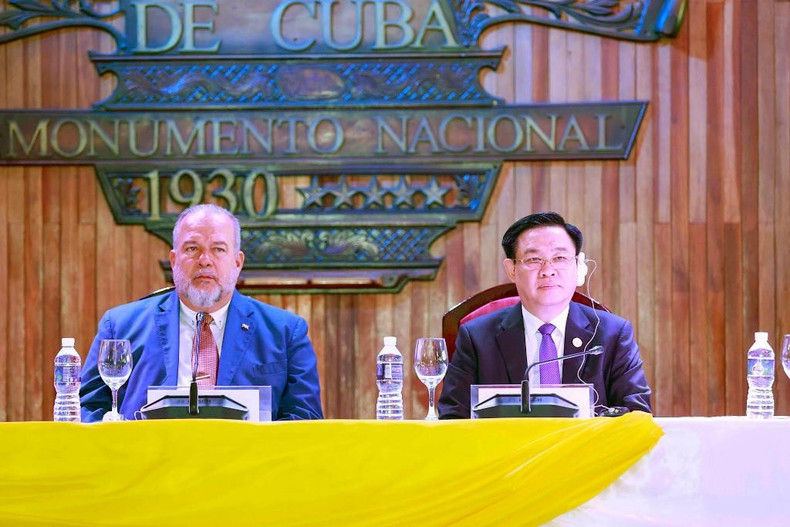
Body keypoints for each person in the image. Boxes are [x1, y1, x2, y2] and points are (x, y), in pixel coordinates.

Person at [80, 204, 323, 421]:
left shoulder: (285, 332)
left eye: (218, 249)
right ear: (174, 260)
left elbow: (305, 420)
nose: (205, 260)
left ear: (238, 262)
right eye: (192, 248)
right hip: (148, 456)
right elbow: (88, 409)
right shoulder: (120, 327)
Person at [438, 212, 651, 419]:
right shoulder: (477, 337)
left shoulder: (612, 334)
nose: (548, 270)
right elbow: (453, 418)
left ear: (577, 265)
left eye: (560, 258)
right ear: (512, 269)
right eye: (534, 259)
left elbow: (636, 414)